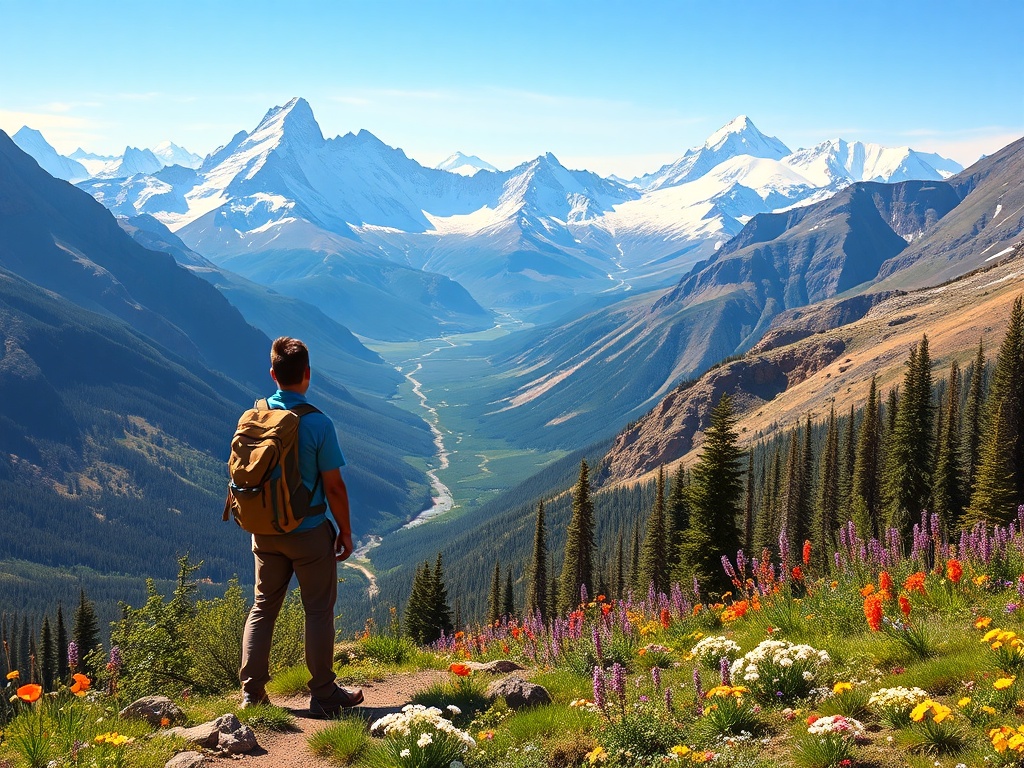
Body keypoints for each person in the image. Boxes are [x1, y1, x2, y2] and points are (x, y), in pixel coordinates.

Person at [238, 336, 364, 717]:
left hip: (265, 531)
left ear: (273, 374)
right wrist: (344, 531)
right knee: (318, 611)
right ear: (307, 374)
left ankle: (252, 692)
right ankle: (323, 693)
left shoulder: (254, 416)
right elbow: (335, 486)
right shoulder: (317, 423)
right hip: (308, 533)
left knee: (263, 607)